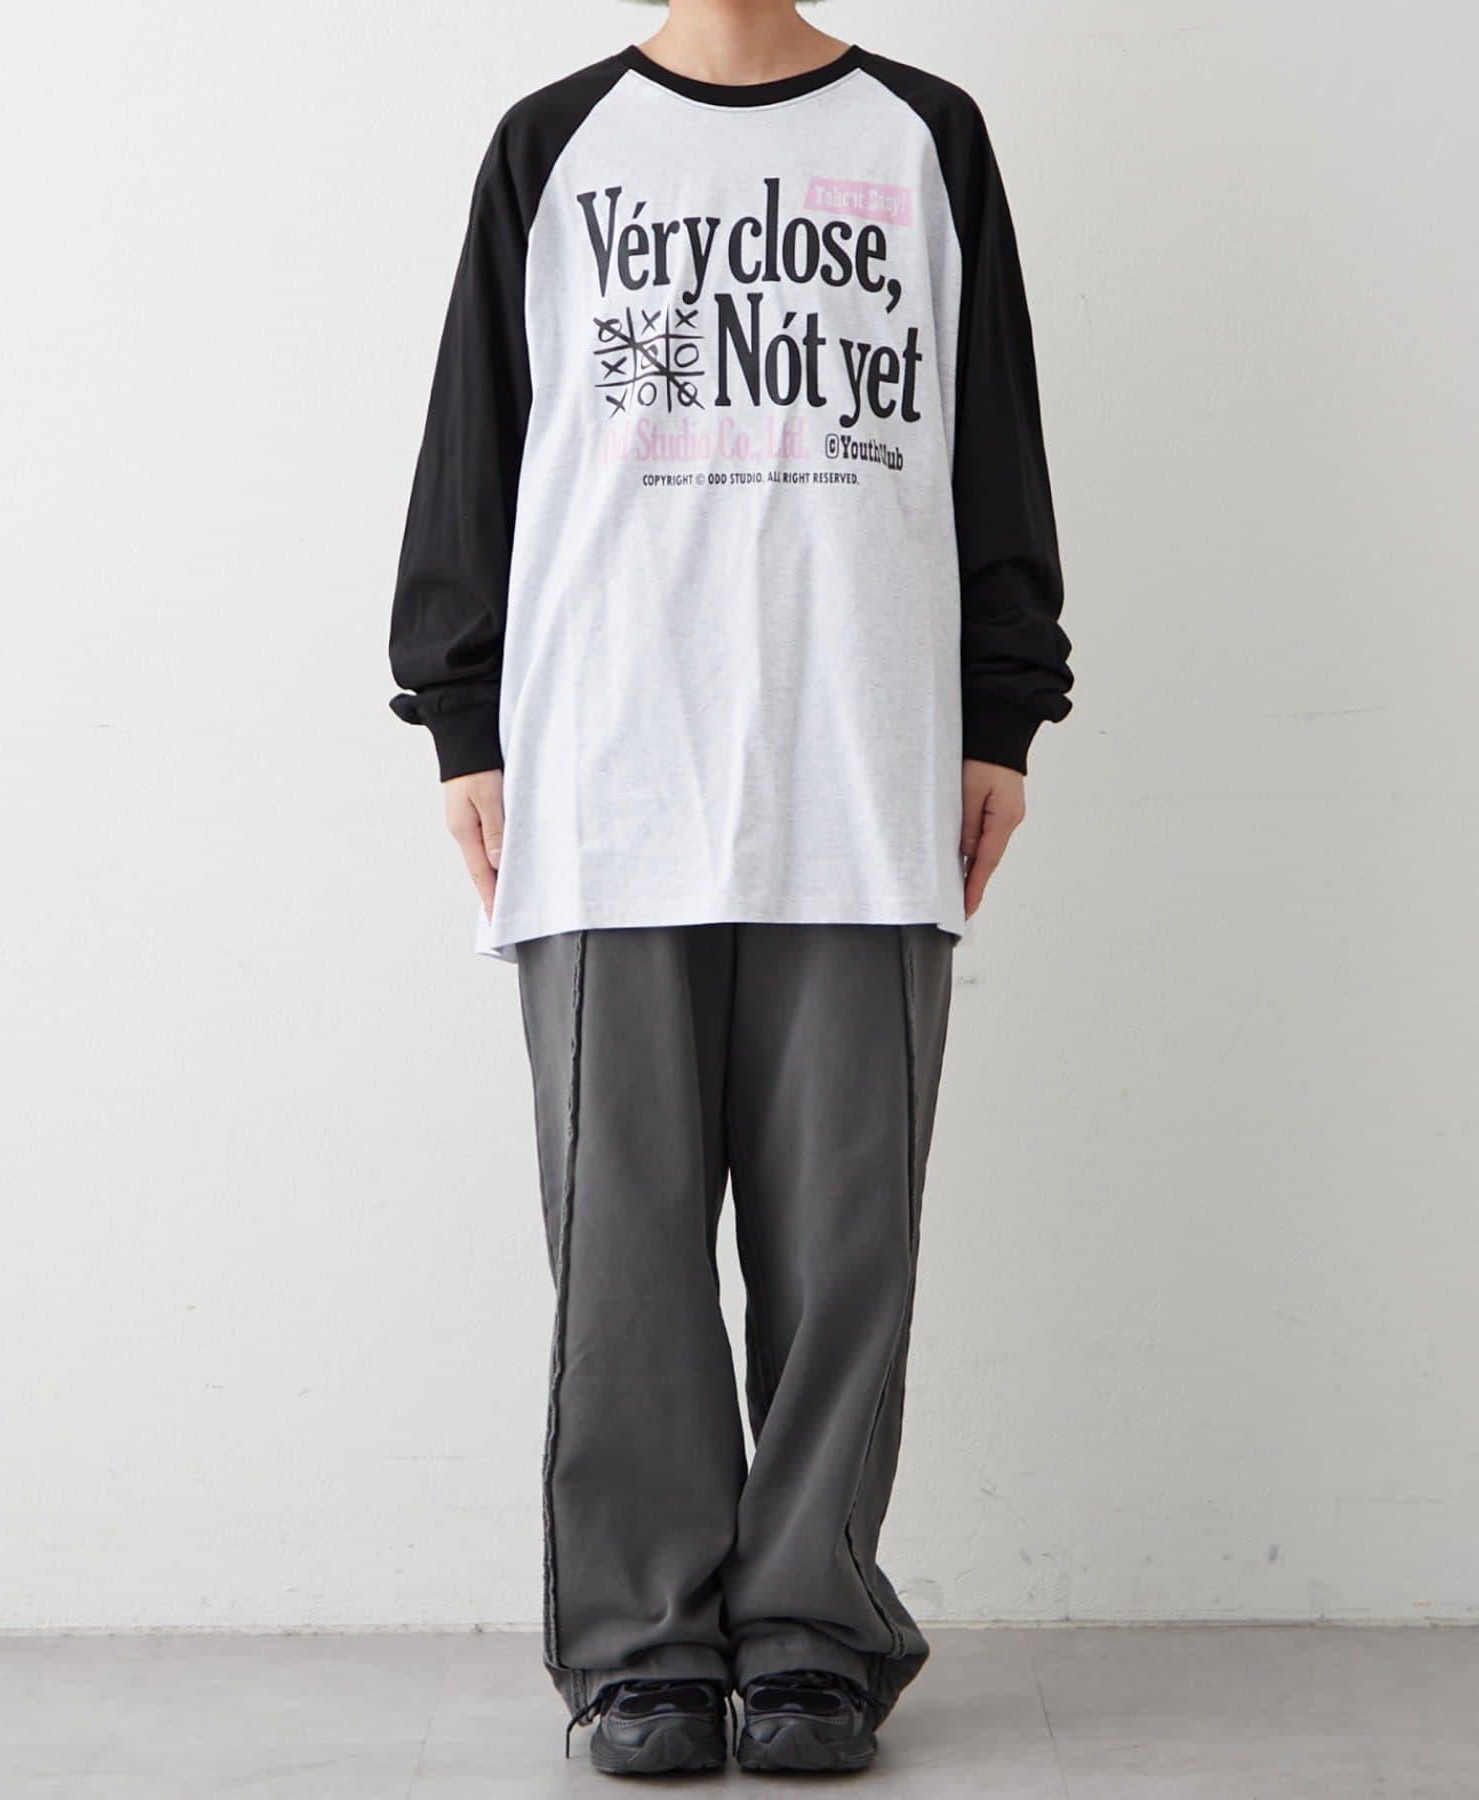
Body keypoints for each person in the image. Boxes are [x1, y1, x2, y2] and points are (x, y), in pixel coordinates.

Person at [388, 0, 1071, 1775]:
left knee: (845, 1243)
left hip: (865, 758)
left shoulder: (928, 136)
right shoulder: (552, 146)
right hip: (609, 766)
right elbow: (475, 443)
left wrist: (1006, 704)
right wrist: (461, 715)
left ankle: (810, 1634)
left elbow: (993, 435)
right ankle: (645, 1650)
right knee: (623, 1248)